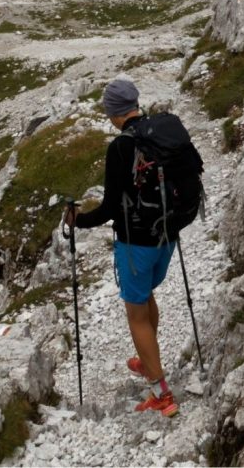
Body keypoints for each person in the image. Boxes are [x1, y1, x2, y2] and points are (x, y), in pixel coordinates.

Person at [64, 76, 179, 418]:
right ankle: (148, 359)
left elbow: (110, 208)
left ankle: (161, 393)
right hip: (168, 236)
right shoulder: (161, 132)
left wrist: (78, 220)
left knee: (136, 313)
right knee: (145, 297)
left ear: (115, 113)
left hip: (135, 242)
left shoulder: (120, 147)